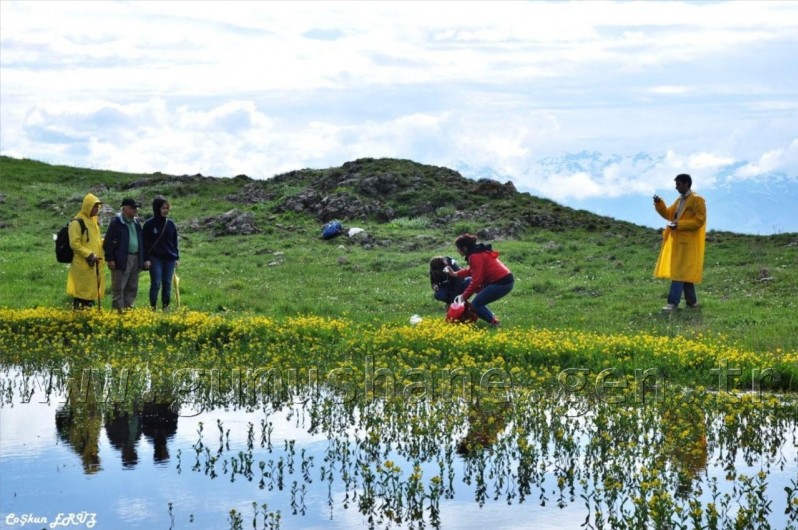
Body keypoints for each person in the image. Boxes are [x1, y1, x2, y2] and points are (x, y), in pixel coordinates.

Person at [653, 173, 707, 311]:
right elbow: (668, 214)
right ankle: (692, 302)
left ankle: (672, 303)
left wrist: (679, 225)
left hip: (688, 244)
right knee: (684, 273)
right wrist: (659, 203)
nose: (676, 187)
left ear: (686, 184)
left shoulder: (697, 200)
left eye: (678, 184)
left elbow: (699, 221)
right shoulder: (679, 201)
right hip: (678, 242)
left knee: (678, 273)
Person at [445, 234, 514, 327]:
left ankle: (495, 322)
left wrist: (463, 296)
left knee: (476, 305)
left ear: (464, 248)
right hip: (500, 281)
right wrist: (455, 273)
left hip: (502, 282)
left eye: (458, 248)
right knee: (468, 281)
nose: (457, 250)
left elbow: (476, 281)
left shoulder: (475, 256)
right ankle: (475, 313)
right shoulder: (475, 252)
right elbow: (472, 271)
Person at [104, 198, 149, 311]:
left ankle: (128, 309)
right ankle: (117, 311)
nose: (135, 210)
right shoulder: (116, 222)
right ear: (124, 208)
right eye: (133, 208)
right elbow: (108, 242)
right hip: (121, 258)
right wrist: (110, 259)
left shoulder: (137, 222)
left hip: (136, 257)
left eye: (136, 208)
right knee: (119, 286)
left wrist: (143, 258)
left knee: (132, 286)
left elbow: (142, 240)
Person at [66, 193, 105, 310]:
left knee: (91, 291)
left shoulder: (93, 222)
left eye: (98, 207)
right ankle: (79, 317)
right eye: (94, 206)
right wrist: (89, 254)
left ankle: (88, 316)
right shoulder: (77, 222)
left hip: (93, 263)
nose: (96, 209)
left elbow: (94, 241)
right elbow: (74, 243)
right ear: (87, 206)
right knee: (82, 292)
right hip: (82, 264)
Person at [142, 197, 180, 311]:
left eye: (167, 208)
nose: (166, 210)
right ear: (157, 208)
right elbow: (145, 244)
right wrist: (146, 259)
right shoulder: (148, 224)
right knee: (156, 284)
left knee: (167, 284)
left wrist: (177, 257)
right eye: (163, 208)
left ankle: (166, 306)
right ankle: (153, 307)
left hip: (169, 259)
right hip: (155, 259)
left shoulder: (170, 224)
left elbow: (174, 242)